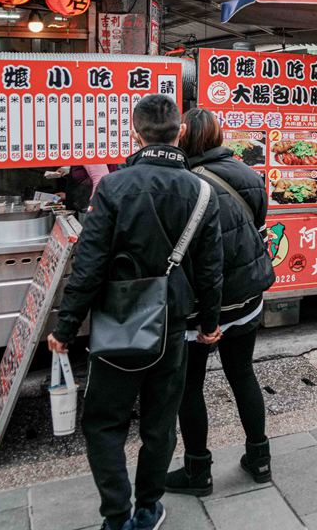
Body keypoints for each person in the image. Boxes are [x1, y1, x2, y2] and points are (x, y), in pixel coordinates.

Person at [48, 95, 224, 530]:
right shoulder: (202, 190)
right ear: (179, 132)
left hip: (118, 321)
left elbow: (88, 264)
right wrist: (209, 323)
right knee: (160, 423)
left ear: (134, 131)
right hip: (174, 322)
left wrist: (66, 325)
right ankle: (147, 508)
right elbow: (210, 266)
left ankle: (115, 515)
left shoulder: (112, 187)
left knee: (105, 423)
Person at [165, 109, 275, 496]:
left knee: (190, 386)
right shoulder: (249, 174)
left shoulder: (182, 184)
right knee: (242, 373)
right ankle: (260, 458)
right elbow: (259, 228)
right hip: (246, 297)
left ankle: (198, 472)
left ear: (183, 138)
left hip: (199, 308)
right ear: (217, 136)